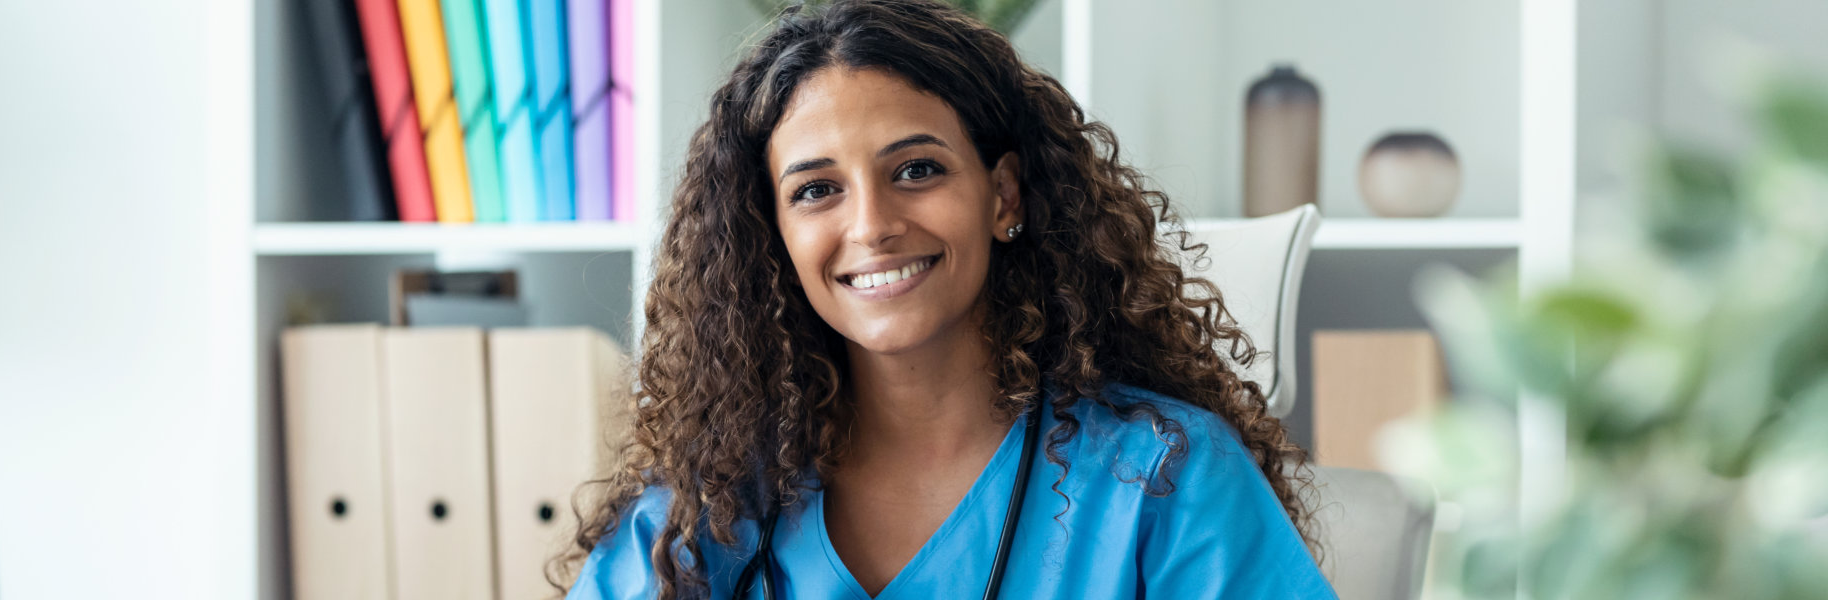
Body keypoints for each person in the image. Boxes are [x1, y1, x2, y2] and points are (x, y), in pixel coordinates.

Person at [555, 0, 1335, 597]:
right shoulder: (703, 512)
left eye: (917, 170)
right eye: (817, 190)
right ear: (773, 237)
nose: (871, 226)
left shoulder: (1163, 479)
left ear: (1004, 196)